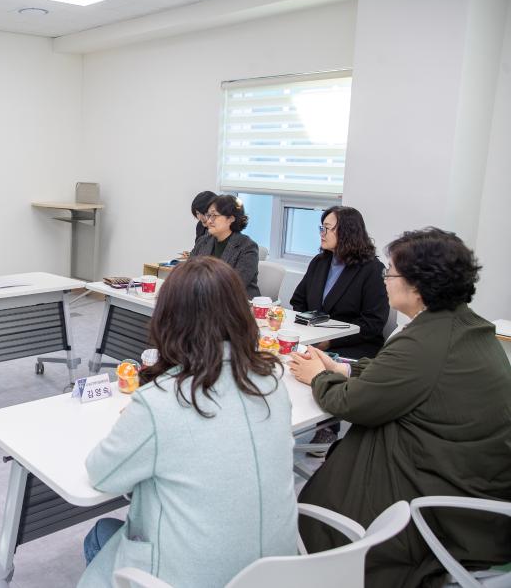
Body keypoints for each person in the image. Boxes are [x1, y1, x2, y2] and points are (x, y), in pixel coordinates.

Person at [289, 228, 511, 588]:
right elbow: (398, 375)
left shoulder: (426, 342)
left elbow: (351, 403)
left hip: (443, 500)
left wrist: (318, 376)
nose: (385, 280)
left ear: (418, 286)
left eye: (390, 272)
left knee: (339, 471)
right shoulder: (465, 325)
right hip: (476, 481)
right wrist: (342, 368)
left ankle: (328, 560)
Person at [78, 257, 297, 588]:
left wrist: (137, 424)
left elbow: (101, 473)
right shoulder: (272, 384)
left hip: (196, 578)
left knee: (98, 537)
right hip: (278, 573)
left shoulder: (162, 400)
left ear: (167, 318)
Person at [289, 206, 389, 451]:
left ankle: (326, 426)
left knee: (317, 363)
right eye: (321, 227)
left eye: (327, 228)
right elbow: (298, 301)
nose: (321, 233)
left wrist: (330, 342)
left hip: (356, 344)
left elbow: (374, 323)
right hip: (315, 338)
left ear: (347, 232)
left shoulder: (371, 270)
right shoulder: (320, 262)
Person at [190, 195, 260, 298]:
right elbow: (188, 273)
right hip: (204, 302)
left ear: (231, 218)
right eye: (209, 215)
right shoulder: (203, 241)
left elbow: (233, 286)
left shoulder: (247, 247)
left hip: (237, 306)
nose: (209, 221)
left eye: (214, 216)